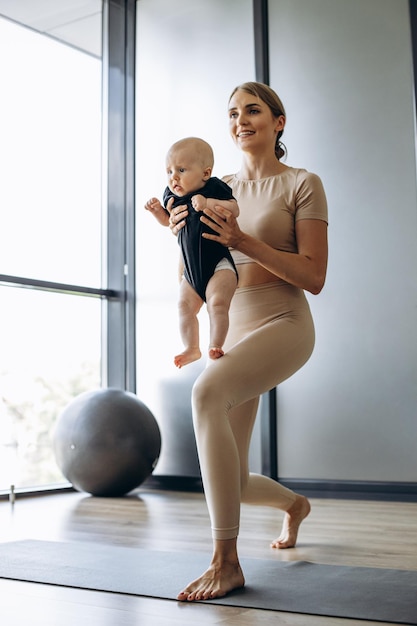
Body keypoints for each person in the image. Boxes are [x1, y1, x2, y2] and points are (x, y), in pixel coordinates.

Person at [167, 82, 328, 602]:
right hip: (232, 329)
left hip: (283, 320)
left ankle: (226, 561)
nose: (241, 119)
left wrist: (243, 240)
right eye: (233, 113)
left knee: (205, 395)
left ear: (278, 122)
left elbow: (314, 275)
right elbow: (199, 265)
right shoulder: (214, 185)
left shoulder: (302, 183)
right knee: (229, 483)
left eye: (253, 110)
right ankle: (293, 505)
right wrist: (174, 231)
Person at [145, 137, 239, 368]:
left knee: (217, 304)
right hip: (190, 272)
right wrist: (158, 211)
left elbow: (234, 209)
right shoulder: (172, 195)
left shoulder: (214, 187)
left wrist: (207, 202)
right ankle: (191, 347)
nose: (173, 177)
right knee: (184, 307)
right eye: (169, 171)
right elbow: (168, 223)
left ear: (205, 173)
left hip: (219, 264)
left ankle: (215, 344)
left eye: (181, 169)